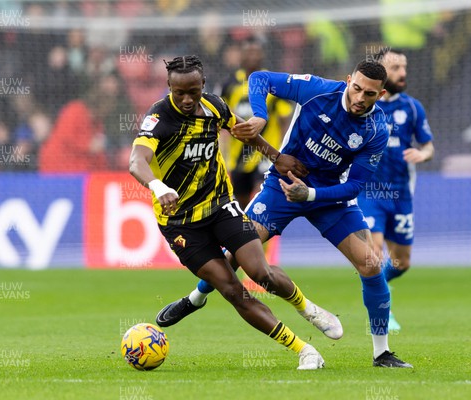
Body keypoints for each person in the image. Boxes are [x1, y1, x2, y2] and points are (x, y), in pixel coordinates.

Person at [159, 60, 413, 368]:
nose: (360, 98)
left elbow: (356, 185)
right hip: (281, 188)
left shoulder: (376, 130)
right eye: (356, 88)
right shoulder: (318, 90)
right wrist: (261, 117)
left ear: (381, 94)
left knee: (371, 264)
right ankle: (195, 299)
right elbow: (260, 77)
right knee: (237, 255)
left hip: (329, 198)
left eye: (369, 94)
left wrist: (311, 194)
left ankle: (381, 353)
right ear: (348, 80)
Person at [129, 55, 344, 370]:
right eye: (179, 93)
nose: (187, 100)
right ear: (169, 88)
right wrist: (158, 187)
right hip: (181, 225)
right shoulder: (159, 118)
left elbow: (242, 131)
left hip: (220, 207)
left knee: (262, 273)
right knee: (233, 290)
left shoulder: (215, 106)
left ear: (203, 85)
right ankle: (304, 350)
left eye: (193, 92)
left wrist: (276, 156)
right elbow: (137, 161)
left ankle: (308, 308)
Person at [358, 49, 434, 331]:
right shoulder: (363, 105)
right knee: (373, 254)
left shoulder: (412, 108)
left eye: (405, 66)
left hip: (401, 193)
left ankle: (376, 287)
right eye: (396, 67)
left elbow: (428, 145)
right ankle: (381, 311)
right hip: (369, 192)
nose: (403, 72)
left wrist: (423, 155)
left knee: (401, 262)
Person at [219, 36, 292, 208]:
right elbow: (221, 122)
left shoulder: (273, 81)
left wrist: (283, 149)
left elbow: (285, 118)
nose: (252, 55)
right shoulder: (229, 85)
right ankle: (247, 233)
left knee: (263, 199)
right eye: (248, 51)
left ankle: (263, 232)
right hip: (238, 159)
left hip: (265, 155)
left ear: (262, 55)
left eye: (256, 51)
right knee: (242, 206)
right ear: (241, 55)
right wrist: (224, 154)